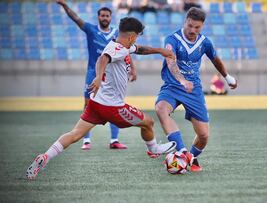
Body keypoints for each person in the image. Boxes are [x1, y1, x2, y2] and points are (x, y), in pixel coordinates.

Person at [26, 17, 177, 180]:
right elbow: (102, 59)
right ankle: (153, 148)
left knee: (75, 134)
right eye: (137, 36)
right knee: (148, 122)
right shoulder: (116, 49)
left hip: (96, 103)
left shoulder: (122, 46)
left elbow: (140, 49)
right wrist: (98, 77)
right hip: (113, 107)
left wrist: (160, 51)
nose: (136, 40)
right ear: (132, 36)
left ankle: (44, 157)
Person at [154, 8, 237, 172]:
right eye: (190, 25)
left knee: (204, 135)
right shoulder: (172, 39)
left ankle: (191, 158)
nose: (192, 30)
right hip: (172, 86)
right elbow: (171, 62)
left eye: (196, 27)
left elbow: (215, 59)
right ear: (185, 21)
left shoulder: (205, 42)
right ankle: (182, 152)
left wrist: (228, 78)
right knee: (161, 108)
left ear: (202, 26)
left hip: (194, 90)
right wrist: (182, 80)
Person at [57, 0, 130, 150]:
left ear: (111, 17)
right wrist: (65, 6)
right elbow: (76, 18)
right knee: (87, 104)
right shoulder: (91, 30)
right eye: (102, 15)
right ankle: (86, 141)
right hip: (93, 73)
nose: (104, 18)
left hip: (112, 75)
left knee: (115, 104)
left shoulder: (116, 33)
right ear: (98, 17)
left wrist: (132, 68)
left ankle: (114, 140)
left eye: (107, 16)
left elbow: (126, 50)